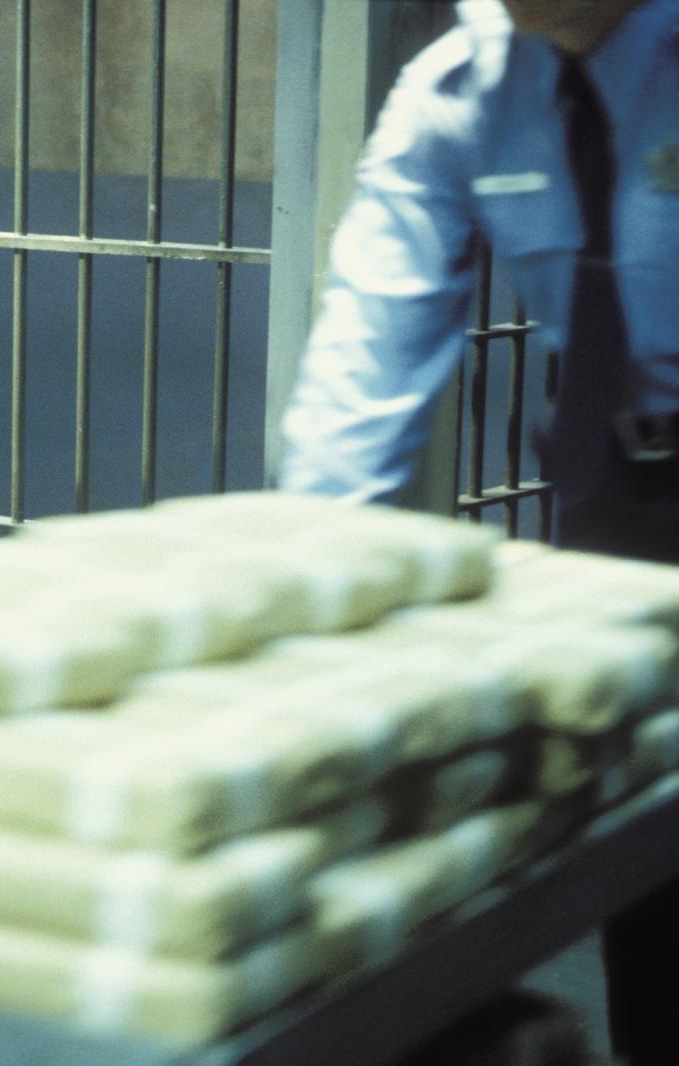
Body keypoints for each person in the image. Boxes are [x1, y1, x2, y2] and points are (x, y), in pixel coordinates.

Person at [278, 2, 678, 1062]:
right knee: (650, 856)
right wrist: (304, 601)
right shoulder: (456, 95)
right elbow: (368, 352)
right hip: (618, 496)